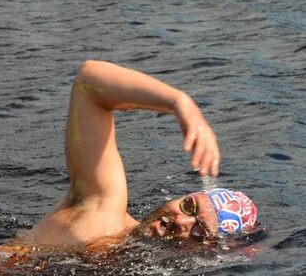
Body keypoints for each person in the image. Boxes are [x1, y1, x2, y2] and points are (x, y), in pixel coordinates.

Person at [19, 60, 258, 249]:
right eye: (188, 206)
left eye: (199, 232)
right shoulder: (101, 205)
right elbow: (88, 82)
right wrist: (179, 102)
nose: (182, 222)